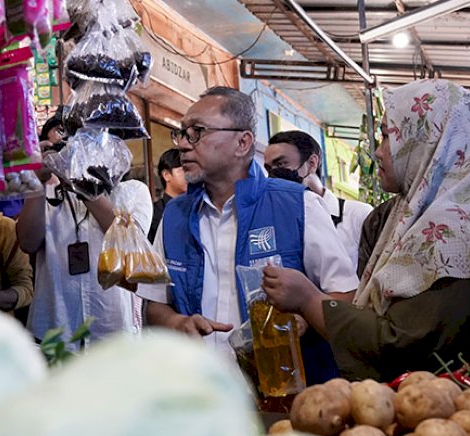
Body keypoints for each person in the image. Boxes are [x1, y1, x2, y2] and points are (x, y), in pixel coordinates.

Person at [259, 79, 470, 381]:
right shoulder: (403, 214)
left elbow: (401, 344)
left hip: (444, 408)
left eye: (387, 136)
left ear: (429, 141)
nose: (378, 152)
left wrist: (308, 299)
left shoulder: (456, 231)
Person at [138, 87, 358, 385]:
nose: (184, 146)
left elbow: (345, 294)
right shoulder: (175, 216)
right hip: (203, 395)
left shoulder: (297, 204)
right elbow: (155, 303)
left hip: (289, 398)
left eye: (197, 132)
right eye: (182, 134)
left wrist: (303, 319)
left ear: (243, 142)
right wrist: (178, 323)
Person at [16, 159, 152, 348]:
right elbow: (27, 243)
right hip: (54, 330)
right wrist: (37, 181)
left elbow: (130, 243)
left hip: (112, 334)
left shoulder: (132, 191)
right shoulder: (49, 192)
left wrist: (82, 184)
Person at [265, 130, 374, 270]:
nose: (273, 175)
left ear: (312, 163)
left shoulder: (357, 215)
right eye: (269, 169)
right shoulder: (278, 223)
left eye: (281, 164)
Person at [148, 149, 187, 242]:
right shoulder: (153, 213)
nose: (188, 175)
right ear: (166, 175)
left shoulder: (197, 207)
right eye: (183, 170)